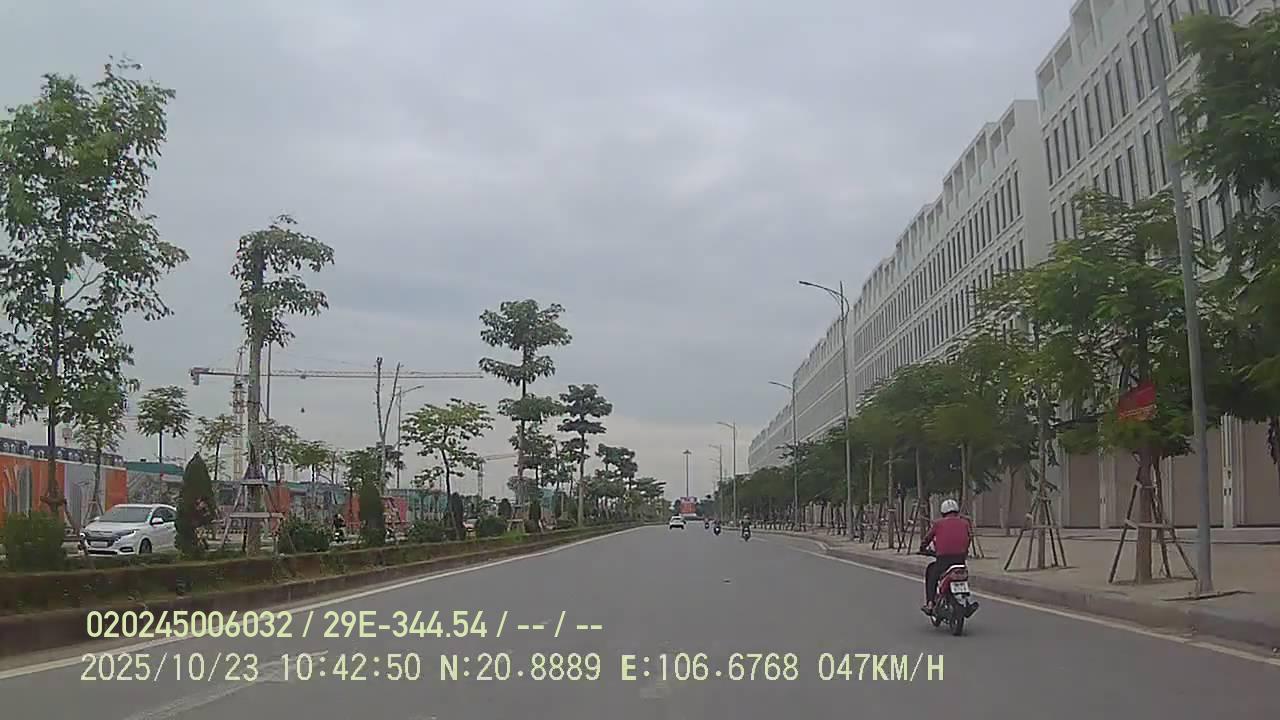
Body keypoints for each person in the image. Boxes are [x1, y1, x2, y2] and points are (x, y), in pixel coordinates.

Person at [920, 498, 971, 614]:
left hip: (943, 561)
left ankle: (930, 603)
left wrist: (923, 548)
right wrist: (964, 551)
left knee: (931, 573)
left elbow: (927, 538)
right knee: (963, 576)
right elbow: (968, 539)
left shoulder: (938, 524)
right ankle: (967, 602)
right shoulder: (965, 523)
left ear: (943, 512)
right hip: (960, 560)